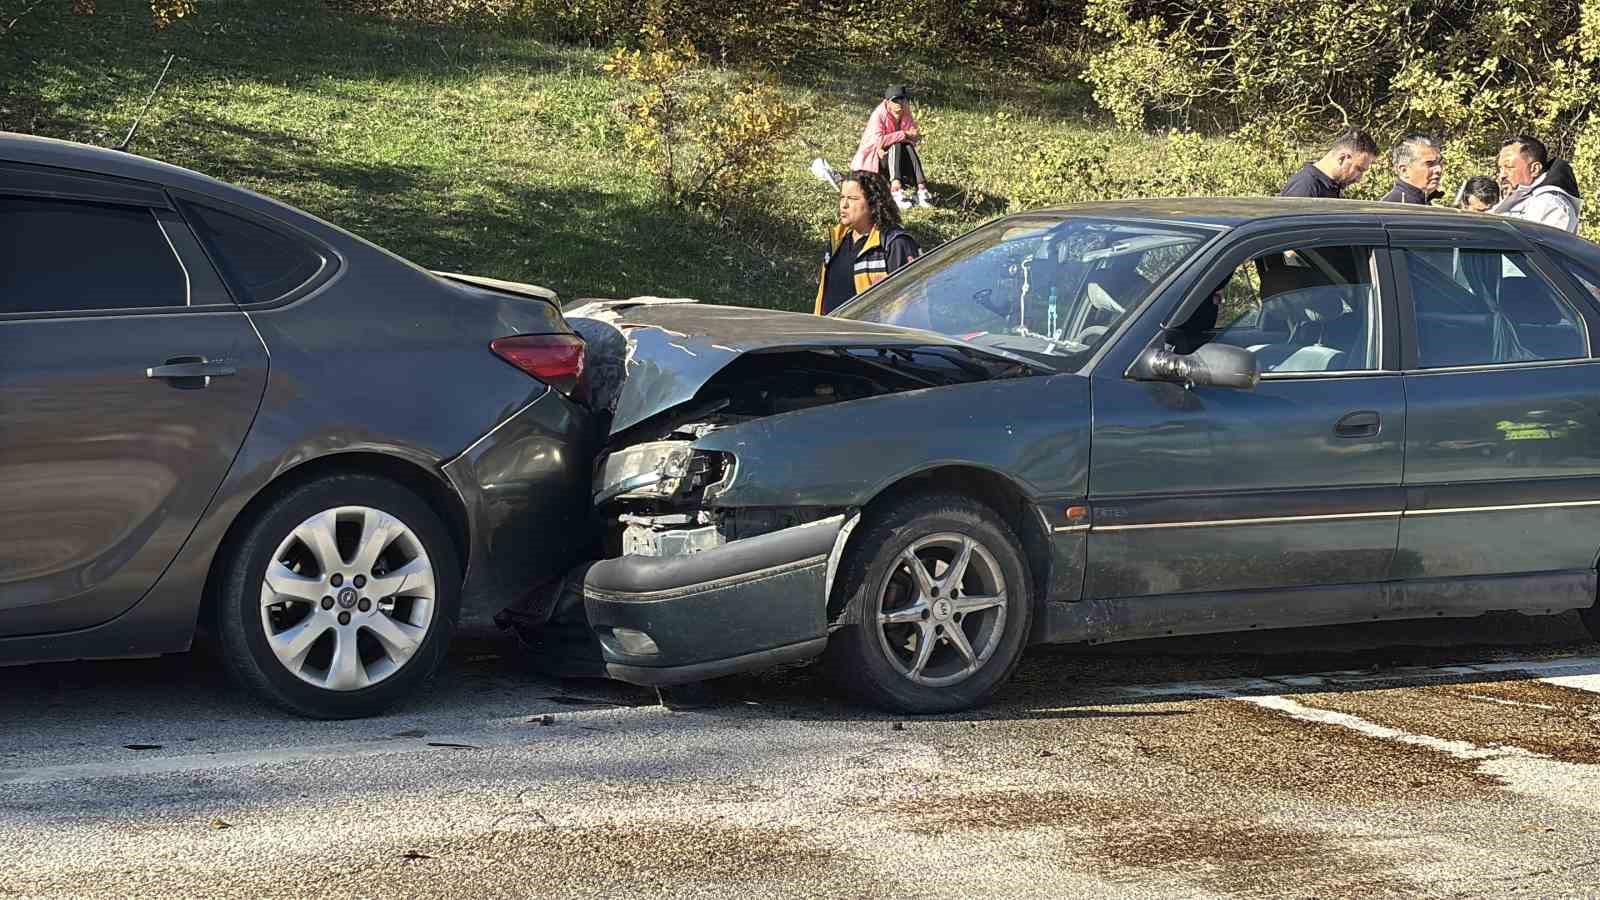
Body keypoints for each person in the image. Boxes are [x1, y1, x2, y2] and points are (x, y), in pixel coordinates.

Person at [814, 171, 920, 315]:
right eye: (842, 197)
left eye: (852, 198)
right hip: (828, 329)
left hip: (869, 330)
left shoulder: (895, 243)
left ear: (873, 203)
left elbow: (909, 304)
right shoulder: (837, 240)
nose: (844, 205)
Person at [849, 85, 931, 210]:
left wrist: (909, 136)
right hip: (872, 162)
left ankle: (921, 189)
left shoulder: (905, 111)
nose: (900, 103)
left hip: (893, 160)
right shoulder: (878, 115)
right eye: (896, 100)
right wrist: (903, 134)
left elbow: (913, 137)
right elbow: (878, 141)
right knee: (896, 144)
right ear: (887, 102)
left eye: (902, 99)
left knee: (907, 146)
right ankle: (896, 190)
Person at [1492, 134, 1581, 232]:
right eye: (1500, 168)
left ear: (1534, 169)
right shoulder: (1520, 198)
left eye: (1509, 167)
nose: (1501, 175)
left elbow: (1549, 242)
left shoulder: (1551, 205)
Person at [1279, 129, 1380, 198]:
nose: (1359, 179)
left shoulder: (1332, 186)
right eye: (1359, 169)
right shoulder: (1305, 186)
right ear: (1342, 158)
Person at [1381, 134, 1443, 204]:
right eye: (1429, 163)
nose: (1439, 169)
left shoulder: (1419, 200)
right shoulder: (1396, 205)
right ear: (1404, 170)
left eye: (1439, 162)